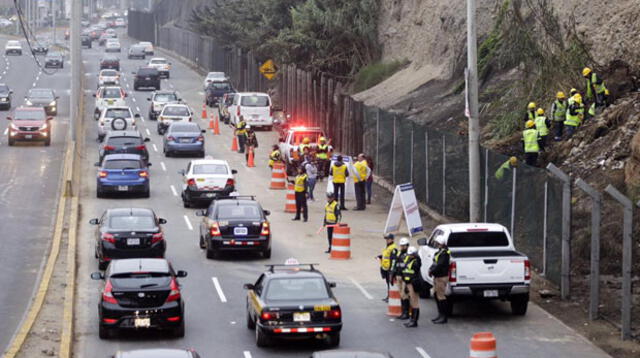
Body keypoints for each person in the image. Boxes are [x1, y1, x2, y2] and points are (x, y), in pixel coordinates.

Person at [428, 237, 451, 324]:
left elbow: (439, 265)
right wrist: (431, 270)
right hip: (437, 276)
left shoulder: (444, 253)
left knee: (441, 297)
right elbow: (435, 263)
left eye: (437, 243)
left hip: (441, 277)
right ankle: (440, 315)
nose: (436, 244)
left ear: (441, 243)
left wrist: (432, 271)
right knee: (437, 295)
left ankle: (444, 317)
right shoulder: (439, 252)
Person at [402, 246, 422, 328]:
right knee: (412, 302)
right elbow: (407, 272)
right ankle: (411, 319)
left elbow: (415, 269)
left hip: (414, 284)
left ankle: (414, 321)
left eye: (411, 255)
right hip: (409, 283)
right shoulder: (410, 260)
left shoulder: (416, 262)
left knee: (415, 303)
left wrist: (417, 257)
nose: (409, 256)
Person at [392, 238, 410, 320]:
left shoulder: (408, 255)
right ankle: (403, 312)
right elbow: (395, 264)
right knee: (402, 295)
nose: (402, 247)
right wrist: (393, 274)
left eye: (403, 246)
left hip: (404, 277)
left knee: (405, 295)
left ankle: (406, 313)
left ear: (407, 246)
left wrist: (406, 278)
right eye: (401, 246)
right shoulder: (399, 254)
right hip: (398, 276)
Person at [377, 233, 397, 302]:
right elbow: (386, 255)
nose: (387, 240)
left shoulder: (393, 248)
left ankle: (390, 297)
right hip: (385, 268)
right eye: (386, 239)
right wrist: (380, 256)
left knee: (390, 284)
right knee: (388, 283)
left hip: (389, 269)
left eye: (388, 239)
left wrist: (392, 270)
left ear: (392, 239)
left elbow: (394, 260)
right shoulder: (387, 247)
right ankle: (389, 296)